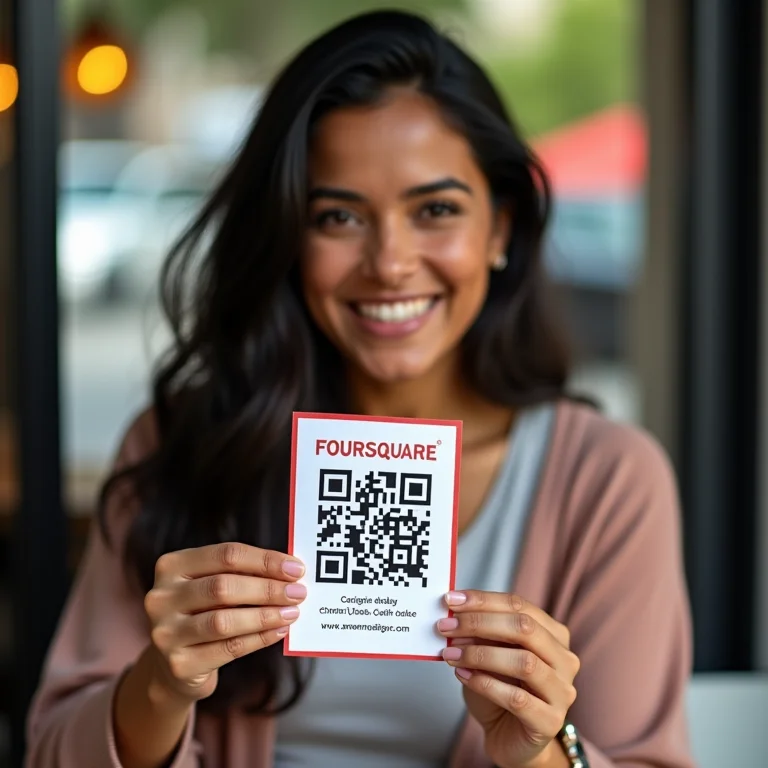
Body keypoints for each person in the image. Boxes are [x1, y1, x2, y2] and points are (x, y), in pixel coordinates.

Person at [26, 10, 694, 768]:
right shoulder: (184, 439)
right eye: (338, 216)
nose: (390, 263)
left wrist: (538, 751)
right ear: (286, 236)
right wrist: (159, 685)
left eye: (435, 210)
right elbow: (48, 750)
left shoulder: (607, 480)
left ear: (500, 229)